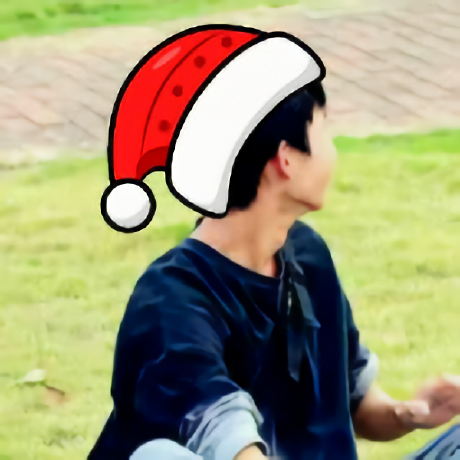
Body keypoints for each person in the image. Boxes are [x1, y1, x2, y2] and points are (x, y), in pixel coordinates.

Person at [88, 80, 460, 460]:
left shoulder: (307, 253)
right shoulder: (170, 300)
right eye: (324, 130)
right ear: (286, 158)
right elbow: (230, 445)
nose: (332, 151)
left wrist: (407, 414)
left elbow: (354, 401)